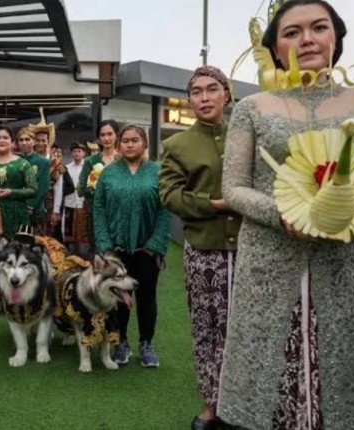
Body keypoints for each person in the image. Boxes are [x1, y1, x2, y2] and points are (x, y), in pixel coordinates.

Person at [217, 1, 354, 429]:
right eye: (292, 32)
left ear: (336, 37)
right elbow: (233, 187)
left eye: (319, 28)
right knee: (267, 379)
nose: (307, 39)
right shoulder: (252, 107)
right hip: (268, 263)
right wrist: (283, 214)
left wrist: (344, 213)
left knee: (348, 381)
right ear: (275, 48)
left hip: (345, 259)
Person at [159, 66, 240, 430]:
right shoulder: (177, 145)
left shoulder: (246, 134)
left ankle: (246, 406)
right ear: (189, 100)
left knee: (247, 329)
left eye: (212, 89)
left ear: (227, 93)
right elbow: (170, 195)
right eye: (196, 92)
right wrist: (214, 203)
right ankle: (212, 407)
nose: (204, 97)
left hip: (251, 252)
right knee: (208, 331)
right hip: (205, 253)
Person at [93, 124, 171, 368]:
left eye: (135, 140)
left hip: (146, 251)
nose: (129, 144)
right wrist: (105, 245)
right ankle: (121, 342)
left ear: (145, 143)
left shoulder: (158, 171)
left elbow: (165, 209)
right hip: (117, 251)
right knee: (119, 299)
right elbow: (99, 209)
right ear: (118, 145)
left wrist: (156, 244)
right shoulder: (108, 173)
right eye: (125, 140)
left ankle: (146, 344)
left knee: (147, 299)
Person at [0, 125, 36, 317]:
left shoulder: (22, 164)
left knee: (19, 259)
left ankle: (21, 300)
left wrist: (11, 192)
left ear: (12, 142)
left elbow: (33, 189)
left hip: (18, 217)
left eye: (6, 137)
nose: (2, 140)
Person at [78, 119, 120, 248]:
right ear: (98, 138)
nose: (106, 138)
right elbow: (81, 190)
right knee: (99, 253)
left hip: (120, 214)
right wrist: (93, 187)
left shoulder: (124, 159)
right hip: (96, 215)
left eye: (110, 134)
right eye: (103, 135)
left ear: (116, 135)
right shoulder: (91, 161)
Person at [52, 141, 90, 258]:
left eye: (79, 151)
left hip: (83, 206)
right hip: (69, 205)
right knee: (68, 235)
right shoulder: (65, 168)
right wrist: (56, 210)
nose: (76, 154)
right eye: (74, 151)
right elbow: (59, 189)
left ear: (84, 153)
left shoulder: (88, 167)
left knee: (84, 236)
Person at [17, 126, 49, 234]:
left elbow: (42, 188)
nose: (24, 143)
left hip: (36, 210)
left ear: (34, 142)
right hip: (16, 208)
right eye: (21, 140)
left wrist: (30, 206)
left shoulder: (43, 162)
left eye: (27, 139)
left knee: (36, 244)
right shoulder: (14, 160)